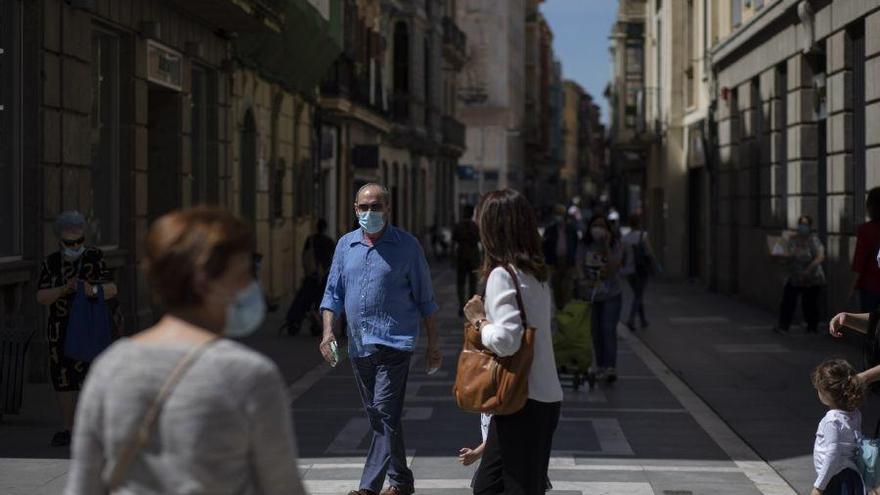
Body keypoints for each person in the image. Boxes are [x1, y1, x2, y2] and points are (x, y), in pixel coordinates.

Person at [64, 207, 307, 494]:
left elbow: (83, 486)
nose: (251, 287)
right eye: (243, 275)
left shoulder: (110, 366)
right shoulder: (248, 376)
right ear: (205, 283)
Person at [319, 183, 442, 495]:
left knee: (384, 412)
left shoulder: (408, 246)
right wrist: (328, 333)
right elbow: (332, 294)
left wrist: (433, 344)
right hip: (359, 346)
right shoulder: (345, 246)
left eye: (376, 207)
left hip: (395, 343)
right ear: (355, 209)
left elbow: (426, 298)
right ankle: (401, 480)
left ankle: (368, 488)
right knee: (381, 416)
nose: (369, 213)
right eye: (363, 207)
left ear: (388, 209)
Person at [462, 189, 563, 495]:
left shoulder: (502, 276)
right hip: (543, 396)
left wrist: (479, 320)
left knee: (499, 487)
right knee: (494, 485)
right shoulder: (537, 275)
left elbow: (507, 341)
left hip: (521, 399)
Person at [36, 210, 119, 447]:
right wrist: (64, 289)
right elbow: (41, 297)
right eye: (69, 242)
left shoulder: (94, 257)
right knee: (63, 379)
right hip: (60, 328)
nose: (76, 245)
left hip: (89, 327)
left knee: (90, 376)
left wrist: (92, 290)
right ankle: (68, 428)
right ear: (59, 240)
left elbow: (112, 288)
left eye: (79, 240)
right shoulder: (51, 263)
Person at [577, 214, 624, 384]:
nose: (598, 229)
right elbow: (579, 264)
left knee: (608, 330)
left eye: (602, 225)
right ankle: (601, 366)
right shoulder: (585, 245)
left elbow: (613, 267)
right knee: (596, 332)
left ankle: (610, 366)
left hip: (611, 294)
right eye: (595, 225)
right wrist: (584, 281)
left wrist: (606, 246)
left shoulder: (615, 244)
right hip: (592, 295)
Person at [809, 359, 865, 495]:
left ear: (826, 392)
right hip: (852, 476)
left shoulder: (831, 420)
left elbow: (832, 454)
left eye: (818, 389)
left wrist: (819, 486)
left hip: (835, 480)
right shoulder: (855, 414)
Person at [773, 215, 826, 333]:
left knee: (809, 304)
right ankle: (783, 326)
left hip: (812, 277)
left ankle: (812, 327)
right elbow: (785, 256)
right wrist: (780, 258)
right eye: (801, 224)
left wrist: (808, 270)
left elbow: (820, 256)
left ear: (810, 226)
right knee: (788, 300)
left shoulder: (813, 240)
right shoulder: (792, 239)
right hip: (795, 277)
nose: (803, 227)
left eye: (805, 224)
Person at [283, 218, 336, 336]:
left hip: (311, 275)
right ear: (325, 228)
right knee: (320, 301)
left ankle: (299, 320)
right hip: (324, 276)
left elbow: (305, 256)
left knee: (304, 299)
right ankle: (317, 322)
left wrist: (308, 270)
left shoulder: (310, 240)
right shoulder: (329, 241)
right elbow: (334, 259)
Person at [620, 213, 654, 331]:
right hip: (641, 269)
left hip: (629, 271)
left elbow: (621, 256)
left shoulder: (625, 238)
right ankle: (631, 319)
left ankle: (643, 320)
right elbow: (649, 252)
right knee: (638, 295)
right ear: (639, 223)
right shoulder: (643, 236)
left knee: (637, 294)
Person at [542, 204, 578, 310]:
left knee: (567, 289)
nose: (559, 216)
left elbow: (575, 246)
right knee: (557, 289)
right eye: (557, 213)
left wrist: (574, 263)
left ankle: (566, 312)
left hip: (567, 262)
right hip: (554, 263)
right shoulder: (550, 230)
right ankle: (560, 311)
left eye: (561, 214)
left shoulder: (571, 229)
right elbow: (545, 246)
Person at [851, 187, 880, 312]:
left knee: (869, 324)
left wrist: (849, 291)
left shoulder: (866, 230)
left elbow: (859, 262)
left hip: (871, 286)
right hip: (871, 285)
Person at [453, 205, 482, 317]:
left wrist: (452, 257)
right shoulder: (475, 226)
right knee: (472, 283)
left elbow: (453, 243)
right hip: (473, 257)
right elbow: (480, 241)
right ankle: (470, 307)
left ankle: (461, 306)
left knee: (460, 283)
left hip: (461, 256)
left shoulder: (458, 226)